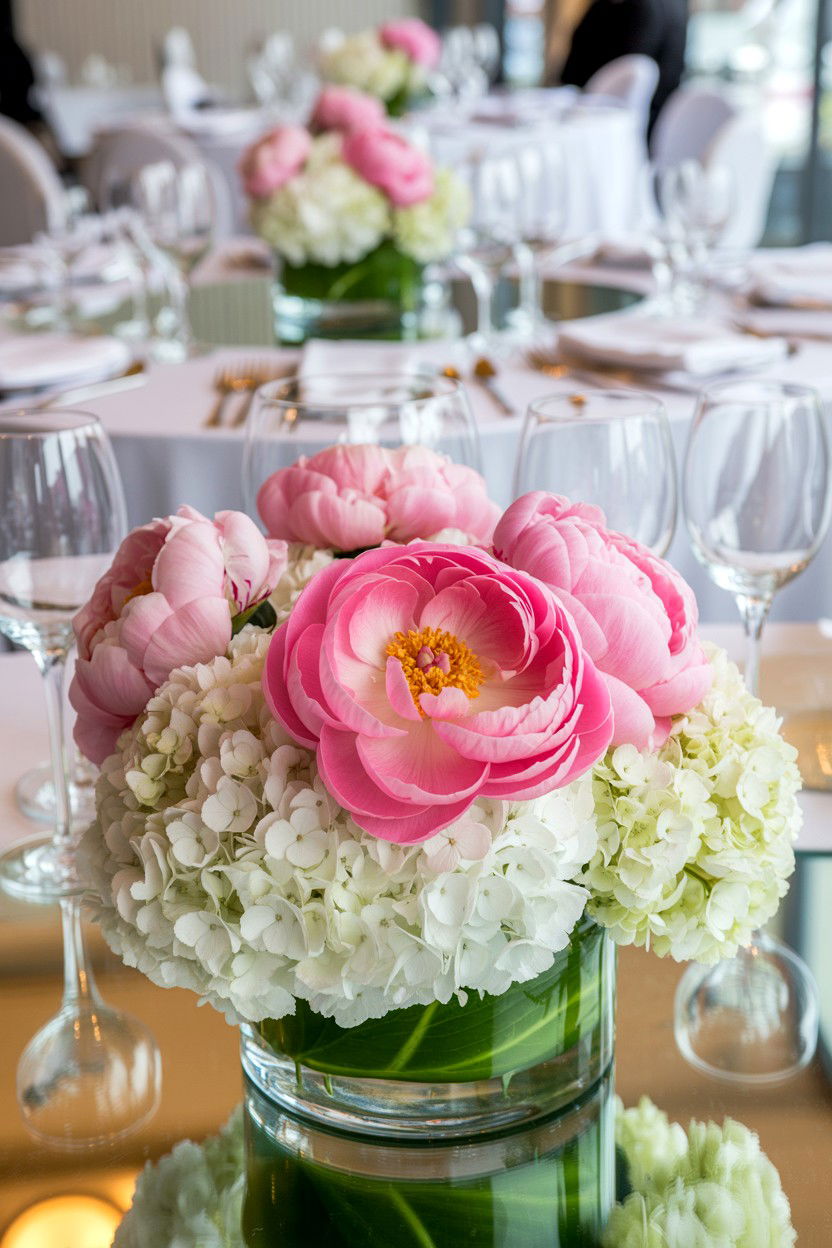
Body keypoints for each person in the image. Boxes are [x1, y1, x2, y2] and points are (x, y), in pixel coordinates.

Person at [559, 0, 688, 135]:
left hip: (618, 121)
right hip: (660, 115)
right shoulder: (676, 4)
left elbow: (629, 68)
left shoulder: (640, 7)